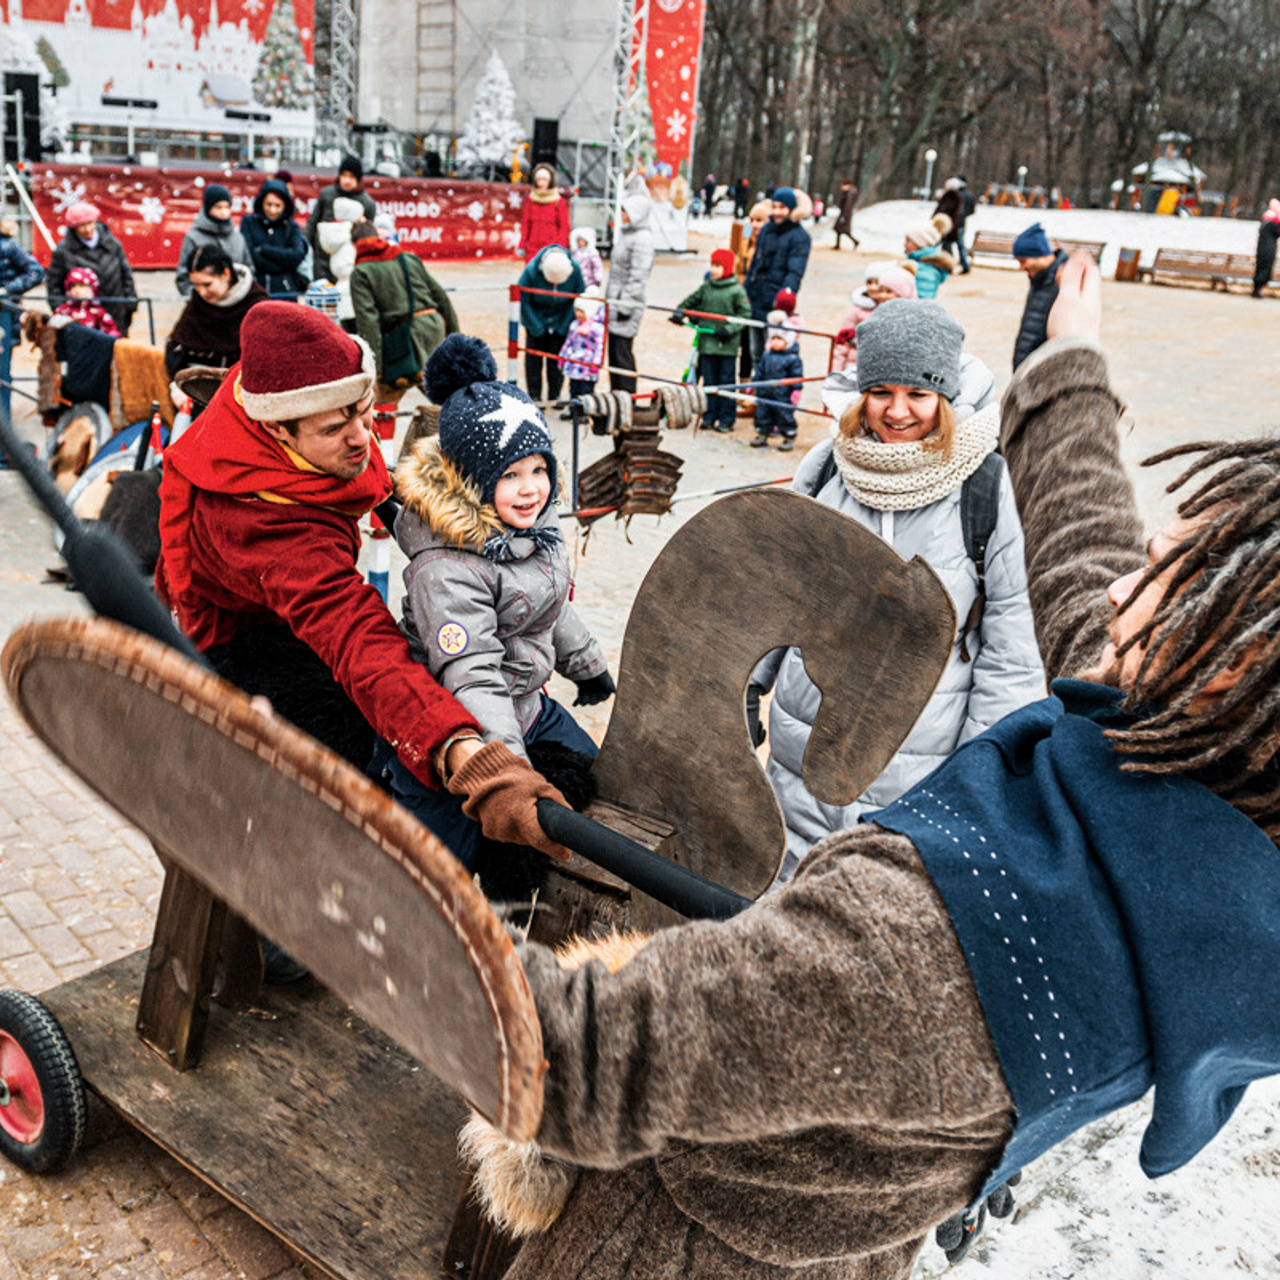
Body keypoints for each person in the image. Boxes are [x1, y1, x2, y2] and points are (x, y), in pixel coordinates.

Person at [466, 253, 1280, 1280]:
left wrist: (367, 885)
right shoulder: (1194, 759)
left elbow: (586, 1052)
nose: (1126, 587)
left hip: (682, 1245)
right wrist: (1068, 369)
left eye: (1164, 572)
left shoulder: (934, 938)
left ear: (1227, 667)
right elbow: (1082, 567)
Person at [155, 302, 571, 869]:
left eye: (364, 413)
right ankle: (340, 915)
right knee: (363, 772)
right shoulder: (265, 530)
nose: (361, 440)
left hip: (302, 613)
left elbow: (369, 477)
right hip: (250, 643)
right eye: (335, 428)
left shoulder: (291, 395)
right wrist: (464, 753)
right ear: (277, 428)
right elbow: (358, 639)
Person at [754, 299, 1044, 879]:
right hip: (799, 768)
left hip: (918, 777)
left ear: (946, 395)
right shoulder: (828, 469)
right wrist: (742, 690)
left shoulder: (982, 489)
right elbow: (775, 598)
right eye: (882, 391)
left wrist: (979, 776)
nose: (898, 411)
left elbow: (1009, 648)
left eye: (918, 394)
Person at [387, 335, 615, 867]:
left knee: (607, 788)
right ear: (469, 483)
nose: (531, 488)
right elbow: (472, 676)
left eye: (539, 469)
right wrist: (510, 779)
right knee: (441, 867)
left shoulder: (533, 524)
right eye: (509, 476)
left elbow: (544, 602)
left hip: (526, 707)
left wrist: (588, 667)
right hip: (457, 731)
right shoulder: (446, 569)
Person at [348, 220, 458, 400]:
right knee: (446, 401)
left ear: (354, 245)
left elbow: (368, 321)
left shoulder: (361, 272)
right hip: (434, 328)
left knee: (382, 402)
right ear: (377, 236)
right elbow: (441, 298)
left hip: (404, 344)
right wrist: (454, 337)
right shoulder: (407, 258)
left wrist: (375, 369)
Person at [670, 248, 751, 433]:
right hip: (707, 344)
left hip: (726, 346)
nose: (713, 270)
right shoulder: (707, 287)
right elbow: (690, 302)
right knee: (709, 382)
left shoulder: (736, 291)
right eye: (712, 265)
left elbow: (744, 315)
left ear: (727, 268)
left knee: (726, 382)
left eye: (718, 266)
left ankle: (726, 418)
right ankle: (708, 415)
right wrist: (680, 312)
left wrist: (729, 329)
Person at [164, 244, 269, 380]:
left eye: (207, 284)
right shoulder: (198, 302)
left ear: (226, 274)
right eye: (196, 285)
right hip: (197, 391)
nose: (201, 292)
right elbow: (176, 348)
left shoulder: (256, 305)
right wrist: (179, 384)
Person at [744, 187, 811, 371]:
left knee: (774, 350)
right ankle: (756, 391)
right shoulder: (767, 230)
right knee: (755, 350)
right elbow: (756, 263)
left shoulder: (800, 237)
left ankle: (770, 394)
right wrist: (746, 288)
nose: (777, 212)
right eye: (774, 207)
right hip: (756, 295)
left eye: (782, 207)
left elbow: (795, 271)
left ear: (791, 209)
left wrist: (784, 300)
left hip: (776, 301)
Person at [47, 202, 137, 336]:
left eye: (90, 223)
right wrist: (62, 311)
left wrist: (130, 303)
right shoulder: (64, 251)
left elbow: (126, 274)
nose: (88, 229)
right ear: (74, 228)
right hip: (82, 317)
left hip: (115, 311)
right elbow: (54, 284)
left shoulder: (112, 244)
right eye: (82, 226)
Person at [519, 246, 584, 402]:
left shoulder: (575, 270)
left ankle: (555, 394)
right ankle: (534, 395)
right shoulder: (532, 270)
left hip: (561, 321)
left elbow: (578, 298)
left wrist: (563, 326)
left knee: (557, 360)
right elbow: (523, 299)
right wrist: (536, 326)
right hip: (536, 320)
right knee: (533, 361)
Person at [604, 193, 655, 395]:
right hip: (616, 301)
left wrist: (626, 304)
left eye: (626, 212)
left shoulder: (642, 239)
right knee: (614, 354)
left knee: (622, 353)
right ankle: (617, 397)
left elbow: (638, 276)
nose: (622, 216)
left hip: (626, 305)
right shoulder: (627, 235)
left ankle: (627, 396)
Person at [829, 262, 916, 372]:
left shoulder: (903, 315)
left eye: (878, 285)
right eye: (869, 282)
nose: (873, 288)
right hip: (855, 367)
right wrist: (836, 372)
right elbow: (842, 343)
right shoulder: (858, 310)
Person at [305, 155, 378, 283]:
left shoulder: (367, 203)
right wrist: (307, 245)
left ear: (358, 179)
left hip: (348, 261)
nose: (347, 180)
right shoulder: (327, 195)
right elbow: (313, 221)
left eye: (351, 176)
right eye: (344, 175)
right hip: (323, 258)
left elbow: (369, 236)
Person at [0, 218, 44, 422]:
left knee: (2, 374)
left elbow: (36, 272)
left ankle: (4, 433)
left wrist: (7, 290)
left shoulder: (7, 245)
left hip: (3, 317)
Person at [176, 184, 252, 298]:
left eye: (227, 207)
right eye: (218, 207)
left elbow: (249, 270)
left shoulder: (238, 238)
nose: (223, 212)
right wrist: (199, 298)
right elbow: (183, 277)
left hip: (237, 303)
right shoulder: (193, 238)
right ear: (208, 208)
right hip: (204, 305)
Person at [240, 178, 310, 300]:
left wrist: (264, 250)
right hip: (256, 292)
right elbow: (251, 257)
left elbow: (296, 255)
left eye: (278, 205)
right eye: (269, 204)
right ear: (262, 202)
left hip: (286, 293)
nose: (272, 210)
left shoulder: (291, 226)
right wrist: (283, 263)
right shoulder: (248, 222)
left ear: (285, 205)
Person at [1011, 223, 1069, 370]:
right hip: (1029, 369)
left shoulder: (1064, 281)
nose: (1021, 268)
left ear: (1040, 255)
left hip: (1045, 370)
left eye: (1023, 261)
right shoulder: (1039, 279)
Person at [748, 310, 804, 452]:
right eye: (773, 339)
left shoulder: (792, 358)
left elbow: (796, 376)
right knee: (762, 414)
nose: (775, 342)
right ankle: (762, 433)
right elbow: (760, 371)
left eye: (779, 339)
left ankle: (789, 436)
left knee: (784, 416)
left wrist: (796, 390)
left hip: (782, 395)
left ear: (788, 341)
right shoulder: (767, 355)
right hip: (765, 392)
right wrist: (753, 383)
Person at [558, 294, 606, 400]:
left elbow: (599, 348)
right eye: (576, 310)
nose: (578, 314)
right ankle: (573, 411)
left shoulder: (596, 329)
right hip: (574, 367)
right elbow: (568, 342)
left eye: (581, 311)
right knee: (573, 389)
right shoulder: (574, 325)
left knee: (586, 393)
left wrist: (596, 363)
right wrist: (562, 356)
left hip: (588, 369)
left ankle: (584, 414)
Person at [520, 163, 572, 261]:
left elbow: (564, 226)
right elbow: (526, 224)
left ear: (550, 181)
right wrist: (522, 244)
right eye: (539, 180)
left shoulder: (558, 201)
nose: (541, 183)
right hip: (532, 248)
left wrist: (560, 247)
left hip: (551, 248)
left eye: (544, 180)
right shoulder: (531, 200)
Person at [52, 267, 121, 337]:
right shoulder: (63, 310)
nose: (77, 290)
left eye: (81, 286)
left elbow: (111, 333)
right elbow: (52, 330)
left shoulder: (98, 313)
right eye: (73, 286)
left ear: (92, 288)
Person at [903, 214, 956, 299]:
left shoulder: (925, 269)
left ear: (920, 243)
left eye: (908, 241)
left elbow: (922, 298)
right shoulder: (921, 261)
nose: (904, 245)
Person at [1252, 198, 1280, 297]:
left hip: (1262, 248)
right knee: (1265, 268)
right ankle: (1257, 290)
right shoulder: (1273, 221)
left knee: (1261, 267)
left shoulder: (1266, 219)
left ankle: (1256, 289)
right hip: (1268, 249)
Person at [833, 180, 859, 250]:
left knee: (843, 230)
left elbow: (847, 205)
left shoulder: (849, 194)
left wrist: (844, 216)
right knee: (839, 230)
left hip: (845, 214)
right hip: (844, 214)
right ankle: (838, 245)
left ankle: (855, 241)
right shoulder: (848, 193)